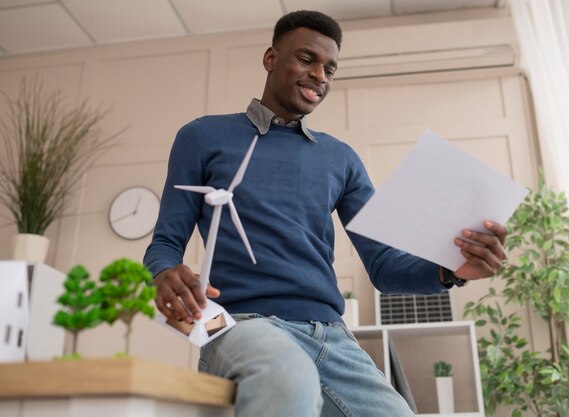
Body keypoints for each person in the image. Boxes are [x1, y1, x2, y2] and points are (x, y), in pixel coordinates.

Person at [144, 10, 507, 417]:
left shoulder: (341, 159)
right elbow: (164, 243)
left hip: (332, 338)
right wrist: (164, 273)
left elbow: (384, 267)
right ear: (271, 59)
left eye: (330, 69)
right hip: (243, 325)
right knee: (286, 378)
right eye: (306, 59)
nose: (320, 75)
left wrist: (451, 269)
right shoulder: (202, 136)